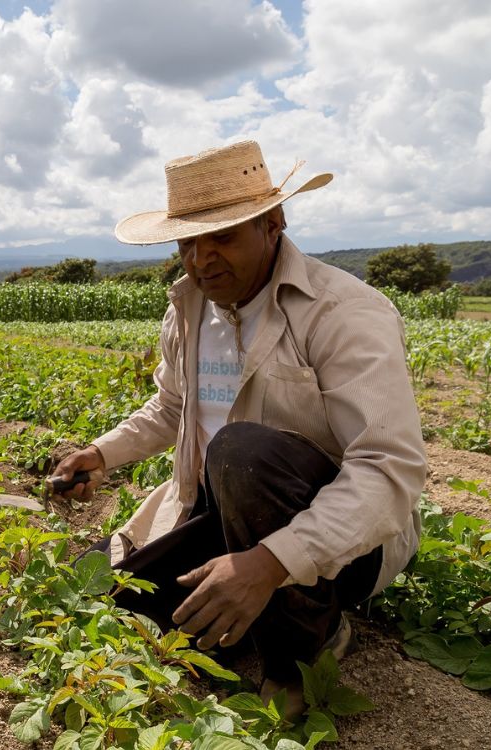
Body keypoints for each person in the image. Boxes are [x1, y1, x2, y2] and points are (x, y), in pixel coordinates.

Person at [51, 140, 426, 716]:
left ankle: (304, 649)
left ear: (273, 224)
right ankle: (247, 606)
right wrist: (98, 454)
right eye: (188, 243)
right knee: (113, 607)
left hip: (344, 544)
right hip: (222, 514)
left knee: (241, 451)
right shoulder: (190, 307)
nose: (202, 259)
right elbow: (173, 407)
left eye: (222, 237)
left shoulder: (344, 312)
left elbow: (387, 470)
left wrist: (270, 562)